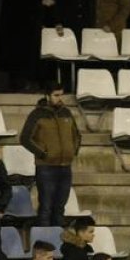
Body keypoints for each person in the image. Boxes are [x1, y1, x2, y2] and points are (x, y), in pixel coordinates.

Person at [20, 83, 82, 227]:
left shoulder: (66, 113)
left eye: (61, 95)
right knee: (46, 207)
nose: (60, 98)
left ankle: (57, 239)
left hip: (65, 167)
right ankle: (44, 239)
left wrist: (72, 152)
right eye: (56, 95)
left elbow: (77, 135)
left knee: (60, 208)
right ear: (47, 96)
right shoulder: (37, 114)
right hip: (46, 167)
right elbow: (25, 138)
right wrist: (43, 154)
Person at [0, 0, 46, 91]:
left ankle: (20, 83)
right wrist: (41, 2)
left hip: (19, 26)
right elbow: (27, 0)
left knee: (18, 58)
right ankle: (22, 84)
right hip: (22, 27)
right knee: (21, 58)